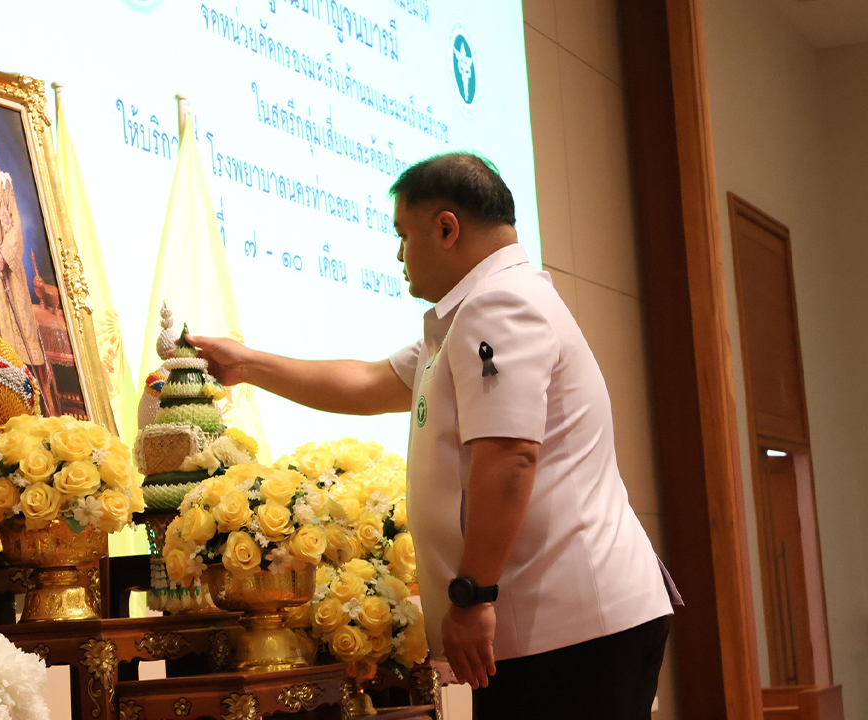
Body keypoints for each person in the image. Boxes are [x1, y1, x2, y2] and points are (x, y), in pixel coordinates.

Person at [189, 153, 675, 719]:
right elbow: (369, 383)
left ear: (446, 228)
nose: (398, 255)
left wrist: (474, 596)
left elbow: (510, 457)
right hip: (562, 625)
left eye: (403, 234)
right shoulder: (474, 311)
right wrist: (246, 364)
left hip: (570, 627)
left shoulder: (500, 304)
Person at [0, 116, 56, 414]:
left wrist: (5, 251)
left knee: (23, 315)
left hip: (10, 261)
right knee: (3, 317)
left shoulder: (4, 180)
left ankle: (39, 393)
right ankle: (17, 394)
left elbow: (15, 222)